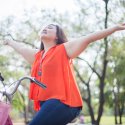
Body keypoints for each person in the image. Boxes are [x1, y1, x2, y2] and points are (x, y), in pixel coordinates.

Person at [2, 23, 125, 125]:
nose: (45, 28)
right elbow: (22, 49)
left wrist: (114, 28)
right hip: (47, 104)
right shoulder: (38, 56)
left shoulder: (64, 49)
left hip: (64, 103)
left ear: (57, 36)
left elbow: (90, 37)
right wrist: (9, 42)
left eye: (50, 27)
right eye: (44, 27)